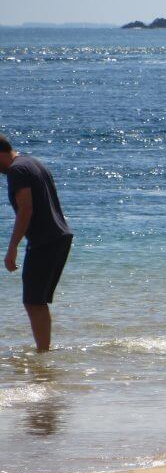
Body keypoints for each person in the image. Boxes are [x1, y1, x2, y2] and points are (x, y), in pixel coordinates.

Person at [1, 134, 73, 352]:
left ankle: (43, 351)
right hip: (58, 236)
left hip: (46, 240)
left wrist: (12, 247)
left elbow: (26, 209)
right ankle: (44, 350)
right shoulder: (31, 162)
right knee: (36, 300)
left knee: (33, 300)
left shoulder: (16, 170)